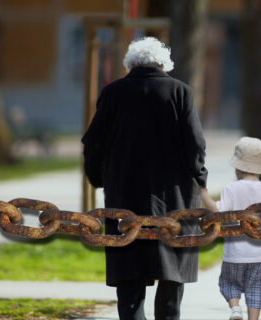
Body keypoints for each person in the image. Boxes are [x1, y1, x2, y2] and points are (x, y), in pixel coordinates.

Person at [81, 37, 207, 320]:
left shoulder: (113, 92)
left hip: (124, 193)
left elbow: (93, 142)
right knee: (172, 267)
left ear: (130, 65)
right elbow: (195, 144)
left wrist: (99, 178)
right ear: (164, 64)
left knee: (129, 267)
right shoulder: (180, 92)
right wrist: (199, 177)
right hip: (174, 195)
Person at [200, 137, 261, 320]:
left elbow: (217, 213)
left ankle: (235, 309)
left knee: (229, 283)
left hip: (235, 254)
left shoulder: (231, 189)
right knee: (258, 288)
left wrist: (204, 194)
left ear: (237, 167)